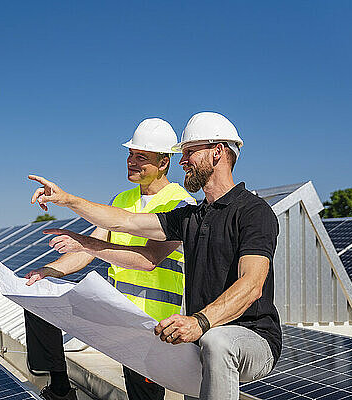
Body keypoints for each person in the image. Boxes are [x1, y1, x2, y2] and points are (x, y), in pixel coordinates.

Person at [29, 112, 282, 400]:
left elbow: (252, 285)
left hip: (250, 336)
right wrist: (67, 200)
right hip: (197, 334)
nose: (182, 161)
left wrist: (198, 321)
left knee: (217, 341)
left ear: (217, 152)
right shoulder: (190, 217)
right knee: (209, 348)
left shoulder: (253, 212)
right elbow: (124, 222)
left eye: (188, 152)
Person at [24, 118, 196, 400]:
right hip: (115, 312)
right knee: (41, 298)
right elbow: (88, 248)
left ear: (164, 162)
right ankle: (59, 388)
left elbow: (147, 259)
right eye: (130, 154)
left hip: (150, 324)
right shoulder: (121, 200)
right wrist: (49, 272)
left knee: (143, 395)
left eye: (142, 157)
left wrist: (86, 243)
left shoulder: (180, 205)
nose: (131, 161)